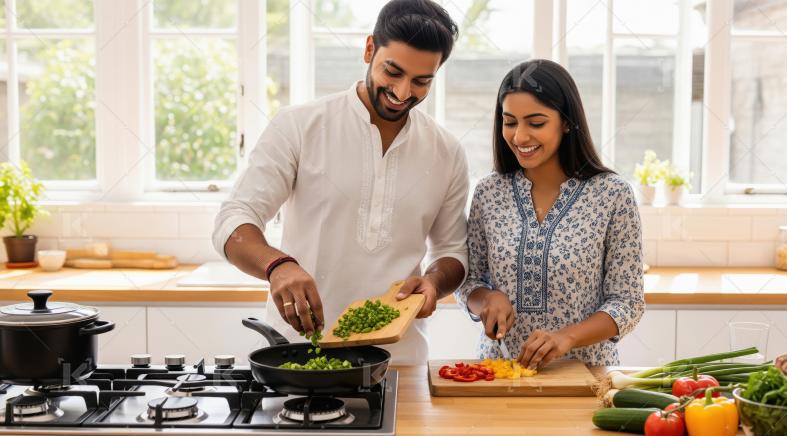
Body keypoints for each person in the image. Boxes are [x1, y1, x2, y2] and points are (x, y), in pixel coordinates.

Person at [212, 0, 468, 365]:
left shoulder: (447, 151)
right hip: (298, 357)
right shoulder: (299, 126)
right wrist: (278, 266)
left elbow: (452, 252)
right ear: (369, 49)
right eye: (392, 72)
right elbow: (233, 220)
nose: (402, 92)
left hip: (397, 362)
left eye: (421, 81)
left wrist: (434, 283)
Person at [455, 59, 645, 368]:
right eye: (510, 122)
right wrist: (487, 299)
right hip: (500, 374)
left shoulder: (612, 195)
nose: (519, 137)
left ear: (567, 122)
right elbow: (469, 281)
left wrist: (567, 337)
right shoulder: (488, 192)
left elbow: (628, 302)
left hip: (585, 376)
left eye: (536, 122)